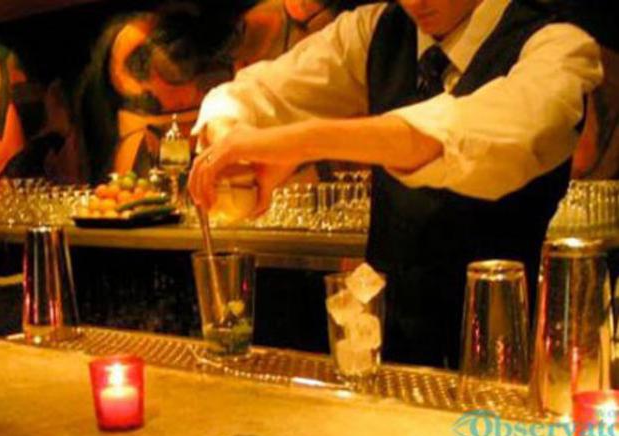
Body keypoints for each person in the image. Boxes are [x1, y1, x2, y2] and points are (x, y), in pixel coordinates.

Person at [187, 0, 603, 368]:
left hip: (505, 356)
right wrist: (228, 139)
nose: (415, 2)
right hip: (386, 356)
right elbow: (254, 93)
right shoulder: (375, 31)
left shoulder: (557, 48)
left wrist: (297, 145)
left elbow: (467, 135)